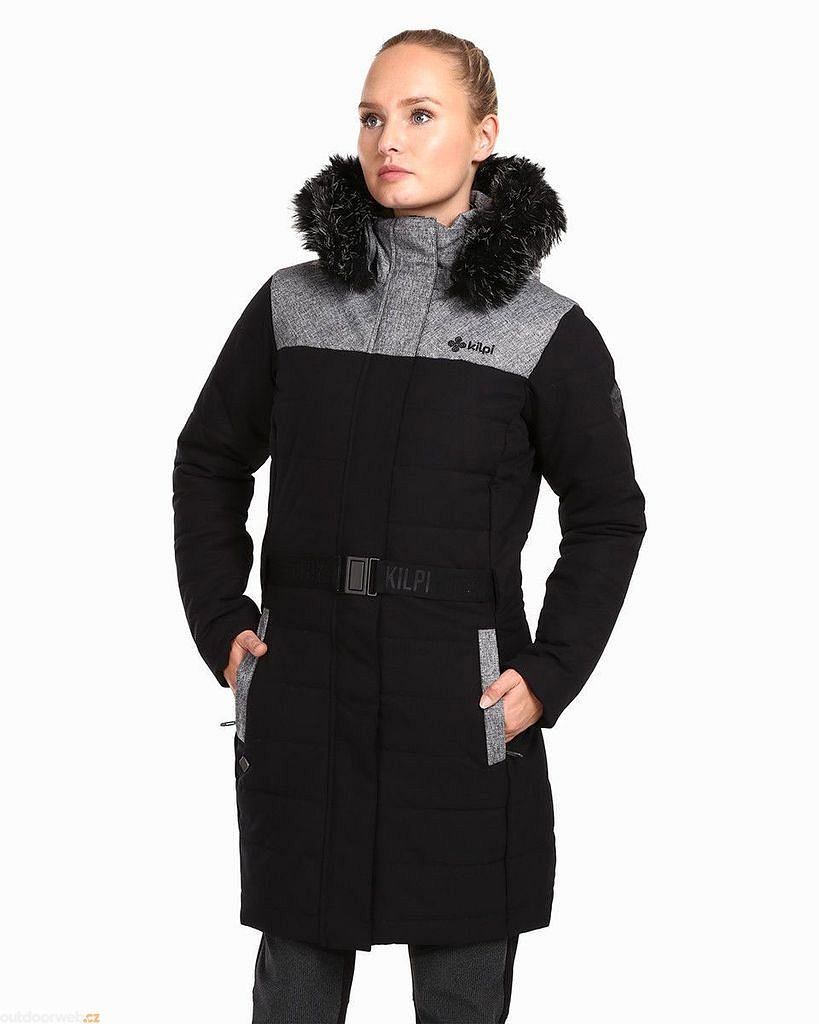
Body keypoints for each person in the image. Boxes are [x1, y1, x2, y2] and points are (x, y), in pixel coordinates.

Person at [172, 27, 647, 1024]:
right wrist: (223, 623)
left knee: (461, 999)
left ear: (484, 133)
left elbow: (608, 516)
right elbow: (208, 460)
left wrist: (549, 675)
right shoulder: (293, 306)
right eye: (371, 116)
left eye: (421, 115)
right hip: (308, 703)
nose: (388, 139)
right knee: (293, 996)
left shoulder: (545, 332)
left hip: (460, 710)